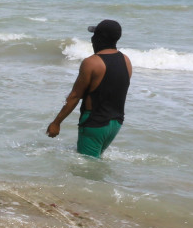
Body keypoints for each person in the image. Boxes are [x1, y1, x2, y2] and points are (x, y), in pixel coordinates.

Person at [47, 19, 132, 158]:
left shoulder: (91, 63)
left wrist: (56, 123)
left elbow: (74, 96)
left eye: (94, 35)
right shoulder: (126, 60)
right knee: (95, 162)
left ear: (98, 38)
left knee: (86, 170)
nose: (91, 39)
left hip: (95, 124)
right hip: (116, 123)